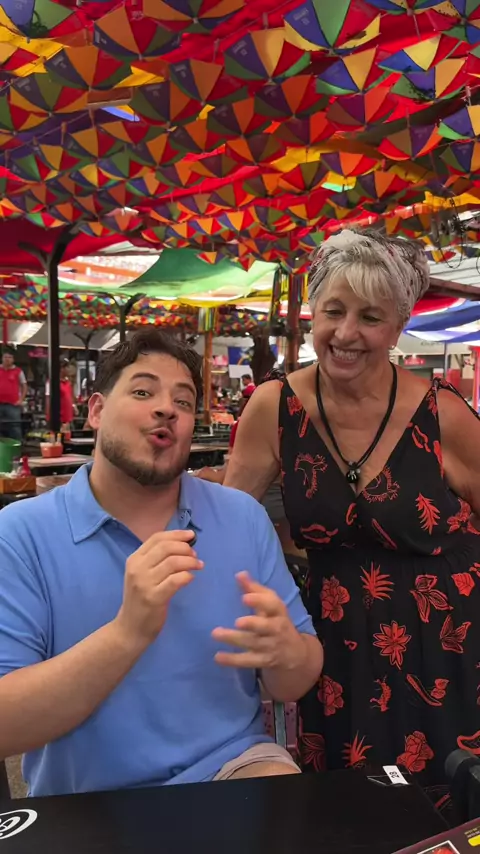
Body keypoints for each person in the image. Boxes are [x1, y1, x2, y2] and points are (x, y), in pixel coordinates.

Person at [218, 228, 480, 811]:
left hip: (448, 641)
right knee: (349, 810)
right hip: (337, 644)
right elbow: (230, 522)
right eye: (333, 311)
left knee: (449, 804)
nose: (345, 333)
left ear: (397, 326)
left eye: (370, 317)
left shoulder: (443, 413)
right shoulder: (274, 407)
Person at [0, 330, 322, 797]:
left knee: (286, 806)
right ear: (96, 411)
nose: (166, 408)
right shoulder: (20, 533)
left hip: (232, 767)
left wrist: (286, 652)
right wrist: (128, 632)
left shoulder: (241, 517)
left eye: (184, 401)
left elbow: (298, 676)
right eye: (142, 392)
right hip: (85, 799)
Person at [0, 349, 26, 441]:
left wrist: (21, 399)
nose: (7, 359)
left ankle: (17, 447)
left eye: (9, 357)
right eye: (5, 357)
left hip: (13, 404)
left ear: (13, 359)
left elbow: (24, 385)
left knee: (15, 427)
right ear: (2, 358)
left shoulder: (18, 371)